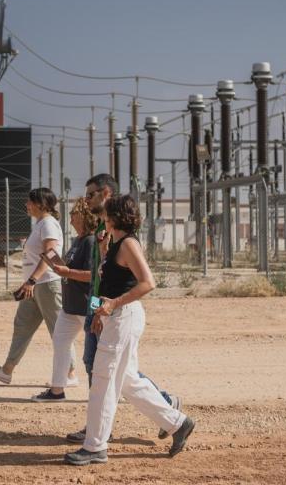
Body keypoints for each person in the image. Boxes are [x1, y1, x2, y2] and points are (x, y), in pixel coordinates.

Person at [65, 194, 195, 466]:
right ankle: (177, 422)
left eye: (106, 214)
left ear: (115, 217)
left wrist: (113, 305)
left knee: (103, 379)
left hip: (125, 316)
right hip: (115, 317)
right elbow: (111, 280)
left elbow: (148, 283)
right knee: (126, 381)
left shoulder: (128, 244)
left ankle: (95, 447)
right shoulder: (114, 243)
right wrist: (103, 307)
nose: (102, 217)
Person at [0, 187, 77, 386]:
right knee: (22, 326)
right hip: (34, 286)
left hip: (47, 284)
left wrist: (32, 280)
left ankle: (70, 374)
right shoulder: (40, 224)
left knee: (59, 330)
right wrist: (30, 282)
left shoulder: (49, 224)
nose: (26, 205)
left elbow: (50, 254)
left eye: (29, 202)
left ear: (40, 204)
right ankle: (7, 371)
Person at [34, 197, 96, 402]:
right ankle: (57, 390)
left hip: (87, 306)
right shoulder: (78, 240)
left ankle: (113, 392)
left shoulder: (91, 241)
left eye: (73, 215)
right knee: (60, 343)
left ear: (84, 216)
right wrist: (61, 268)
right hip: (70, 307)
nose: (70, 221)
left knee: (98, 353)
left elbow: (92, 275)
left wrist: (67, 271)